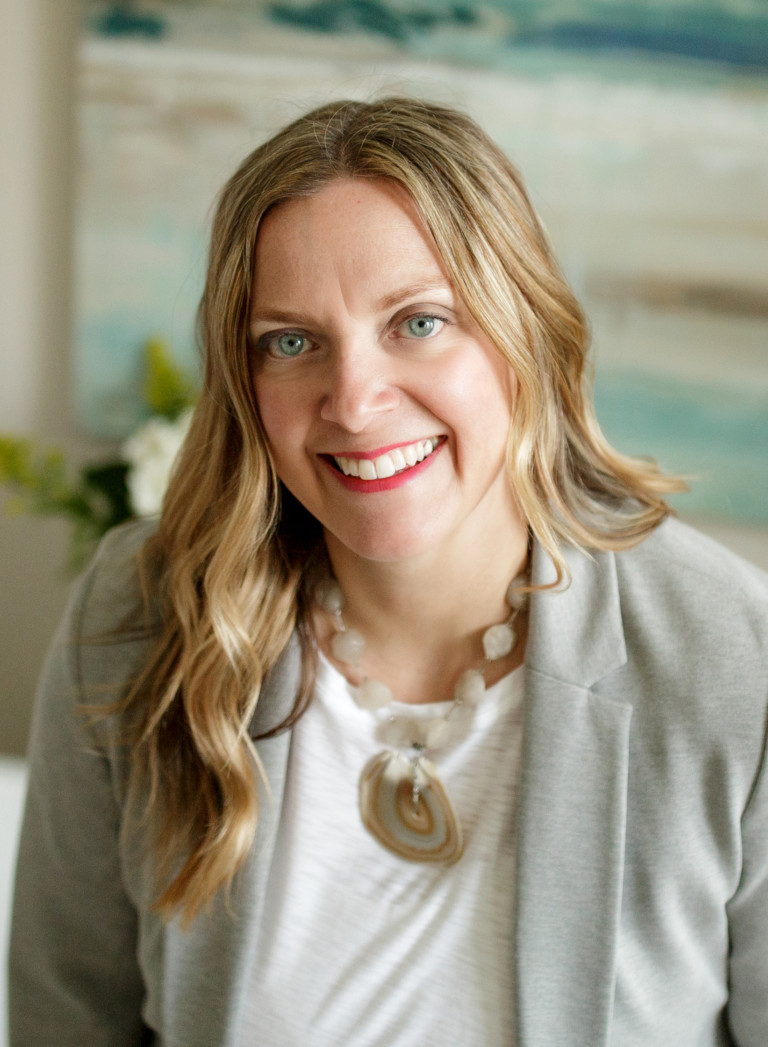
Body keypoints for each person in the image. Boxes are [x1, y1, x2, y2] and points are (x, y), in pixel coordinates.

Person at [8, 97, 768, 1047]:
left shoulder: (734, 654)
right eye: (291, 341)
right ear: (246, 386)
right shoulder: (139, 617)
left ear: (522, 333)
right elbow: (62, 1020)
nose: (356, 403)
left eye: (418, 322)